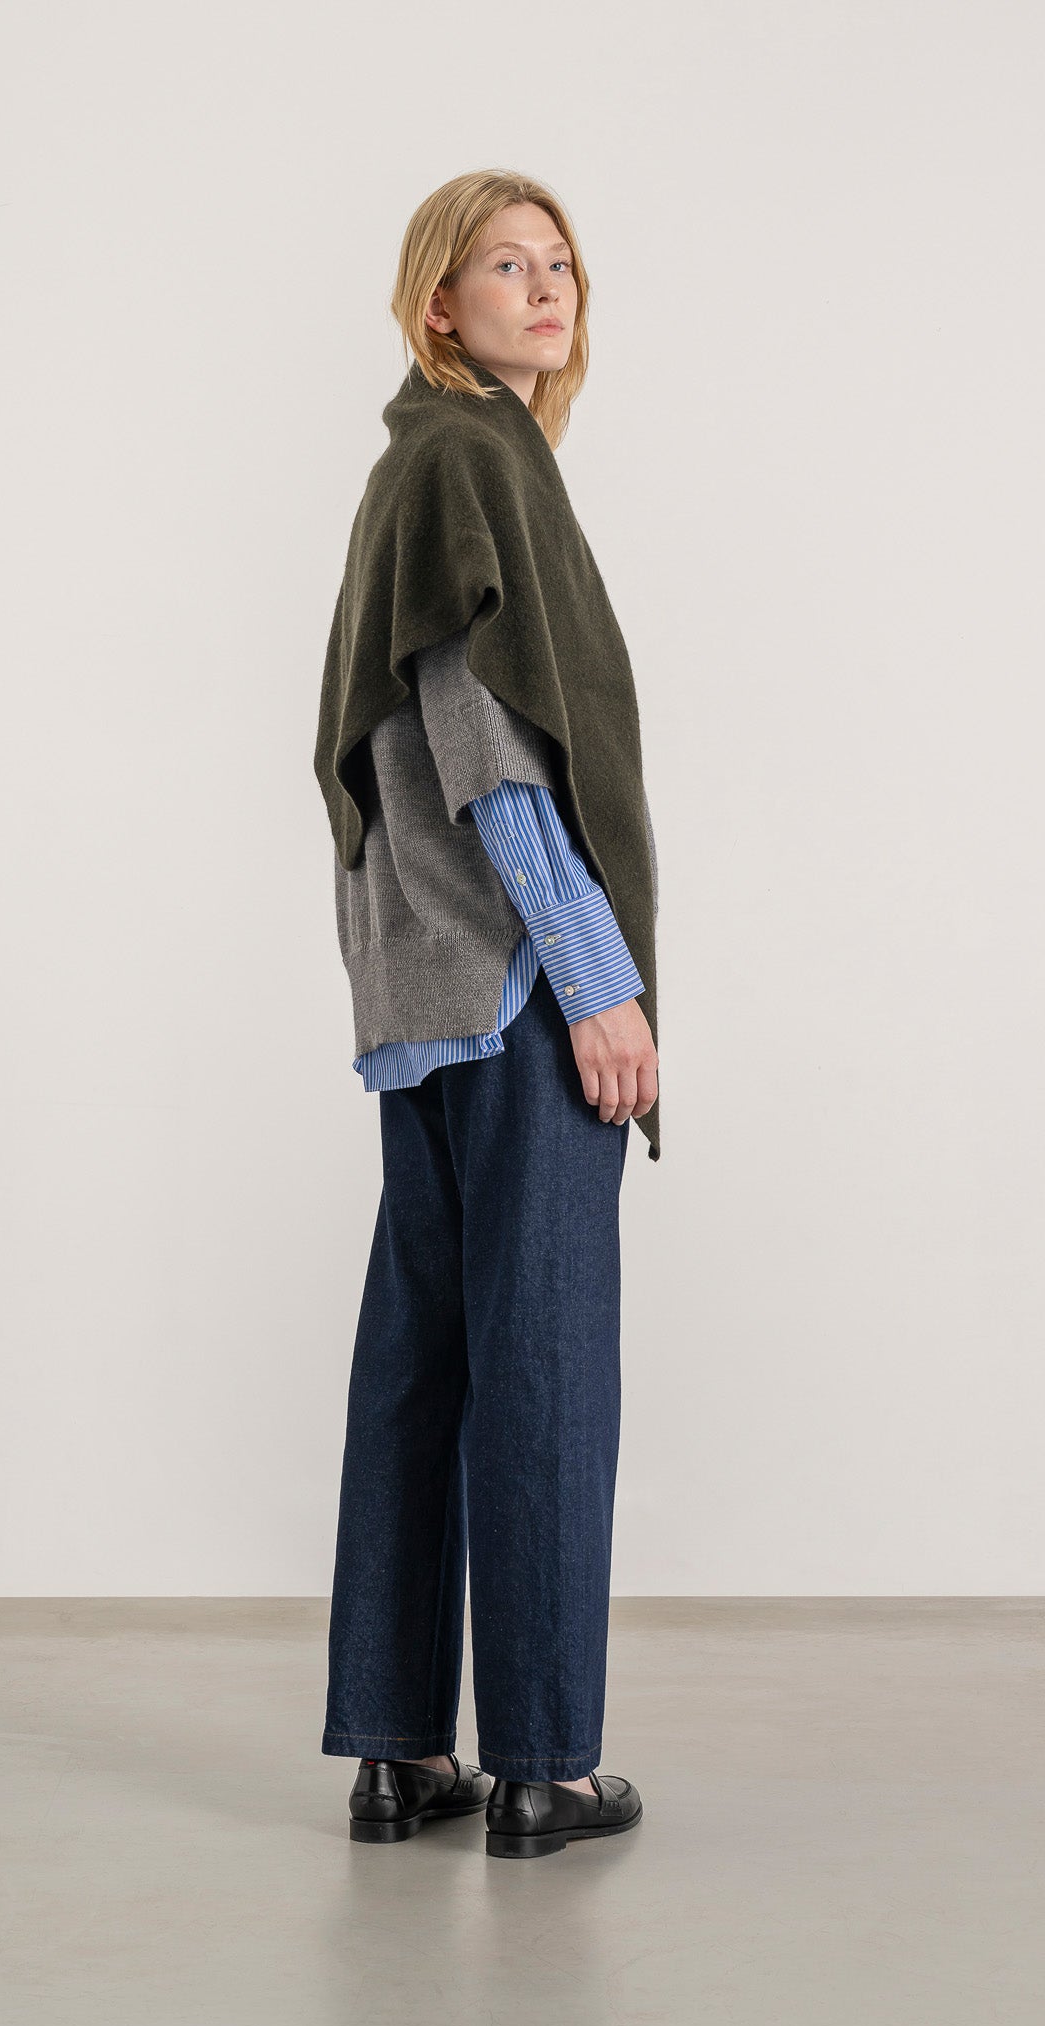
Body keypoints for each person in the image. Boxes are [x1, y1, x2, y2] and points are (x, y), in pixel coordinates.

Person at [312, 170, 661, 1859]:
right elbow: (488, 752)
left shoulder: (414, 465)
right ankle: (540, 1764)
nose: (546, 284)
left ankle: (395, 1754)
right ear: (435, 303)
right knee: (542, 1367)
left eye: (560, 261)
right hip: (515, 987)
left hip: (421, 989)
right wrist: (598, 981)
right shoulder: (470, 462)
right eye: (505, 263)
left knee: (424, 1367)